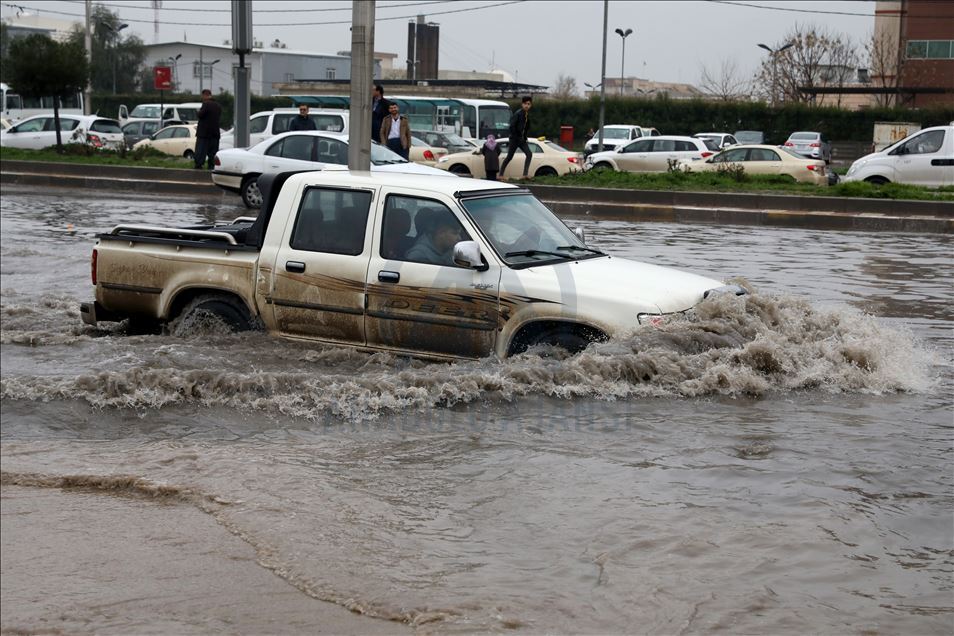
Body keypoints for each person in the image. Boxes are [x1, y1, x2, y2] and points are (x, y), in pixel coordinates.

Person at [499, 96, 533, 179]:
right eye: (525, 104)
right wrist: (517, 136)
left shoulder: (526, 115)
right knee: (509, 157)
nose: (526, 106)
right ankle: (500, 175)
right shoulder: (518, 113)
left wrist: (524, 137)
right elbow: (512, 126)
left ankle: (525, 175)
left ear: (530, 105)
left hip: (521, 139)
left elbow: (526, 127)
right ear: (522, 104)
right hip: (514, 139)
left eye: (528, 104)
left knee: (529, 154)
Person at [194, 89, 222, 170]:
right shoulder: (218, 106)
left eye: (202, 96)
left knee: (200, 151)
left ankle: (199, 166)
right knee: (213, 153)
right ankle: (211, 167)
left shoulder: (206, 104)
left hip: (204, 134)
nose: (202, 98)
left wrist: (198, 112)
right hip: (215, 134)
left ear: (205, 95)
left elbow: (200, 115)